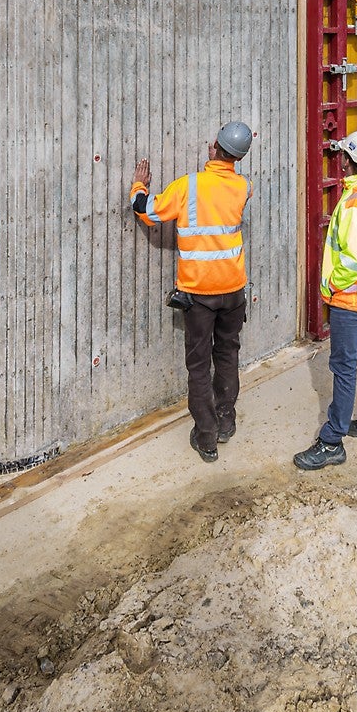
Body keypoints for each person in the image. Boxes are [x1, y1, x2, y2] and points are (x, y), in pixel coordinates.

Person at [130, 122, 253, 464]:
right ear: (239, 157)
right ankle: (226, 422)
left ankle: (206, 437)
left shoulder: (189, 185)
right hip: (234, 290)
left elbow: (146, 211)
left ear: (215, 146)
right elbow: (227, 190)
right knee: (227, 355)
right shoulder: (243, 186)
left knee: (199, 366)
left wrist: (138, 185)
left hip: (200, 293)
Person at [295, 130, 357, 470]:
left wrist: (334, 286)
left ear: (348, 161)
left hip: (350, 298)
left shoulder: (354, 204)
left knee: (343, 367)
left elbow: (352, 257)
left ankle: (332, 440)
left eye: (343, 156)